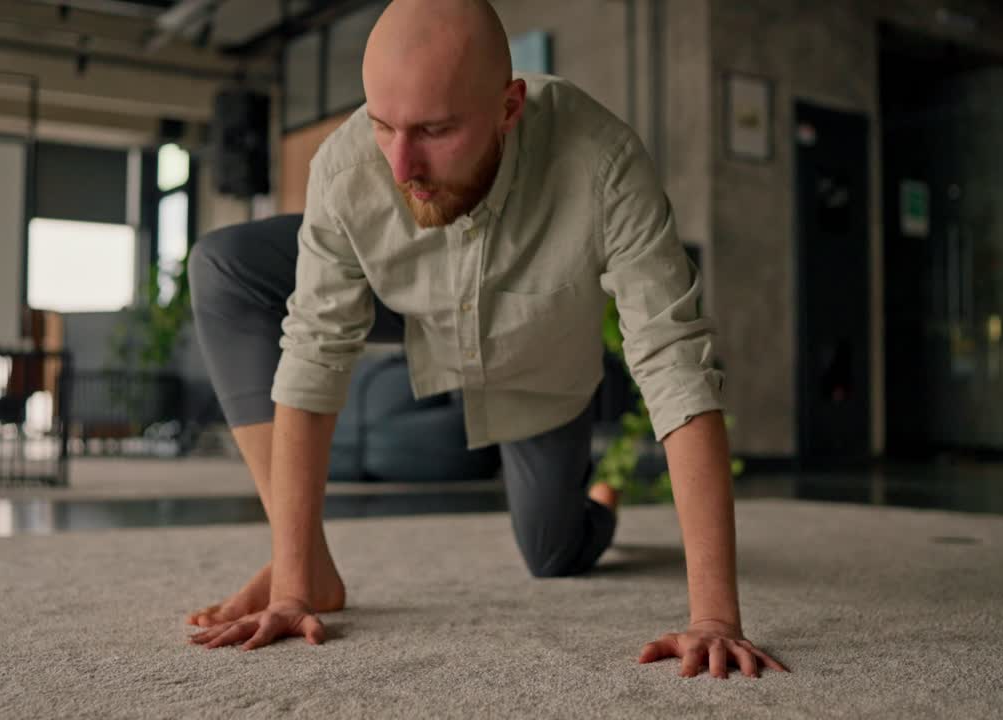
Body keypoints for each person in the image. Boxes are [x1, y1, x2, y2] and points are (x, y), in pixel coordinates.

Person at [185, 0, 789, 679]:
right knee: (223, 266)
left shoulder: (604, 163)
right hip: (416, 312)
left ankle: (600, 506)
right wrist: (293, 585)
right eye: (384, 125)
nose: (401, 164)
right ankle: (304, 558)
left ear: (510, 107)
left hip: (539, 367)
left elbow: (676, 361)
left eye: (436, 130)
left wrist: (713, 618)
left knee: (551, 555)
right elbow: (314, 349)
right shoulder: (348, 166)